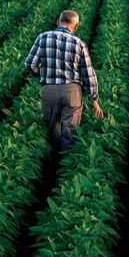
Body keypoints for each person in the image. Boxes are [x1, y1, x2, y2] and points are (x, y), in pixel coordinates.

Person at [25, 9, 104, 153]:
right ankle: (66, 160)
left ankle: (54, 160)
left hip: (49, 90)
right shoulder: (79, 43)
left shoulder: (42, 38)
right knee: (70, 132)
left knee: (52, 130)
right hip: (71, 92)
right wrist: (93, 99)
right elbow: (89, 74)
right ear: (76, 26)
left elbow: (30, 64)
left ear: (58, 22)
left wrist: (44, 76)